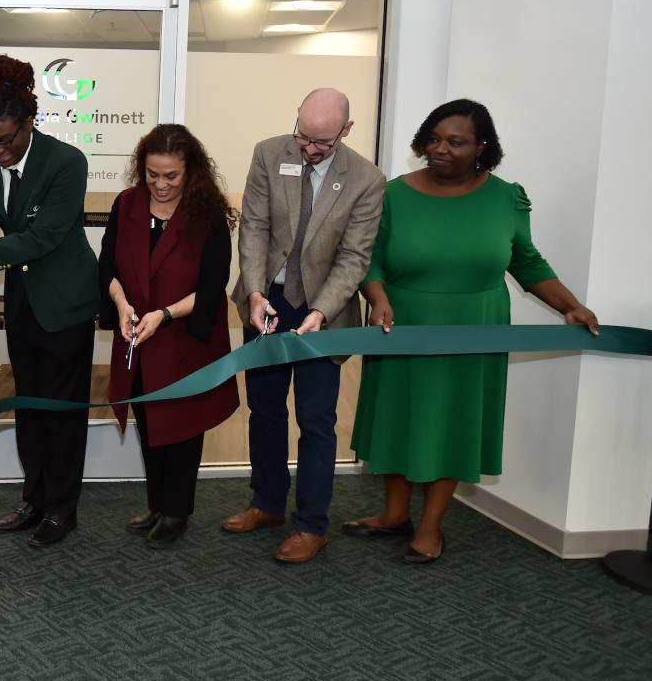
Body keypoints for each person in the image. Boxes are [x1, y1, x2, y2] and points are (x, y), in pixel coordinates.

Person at [344, 98, 597, 563]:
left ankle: (430, 528)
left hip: (476, 327)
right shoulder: (394, 194)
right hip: (403, 322)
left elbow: (526, 261)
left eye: (455, 142)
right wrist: (377, 297)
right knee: (397, 417)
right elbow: (370, 258)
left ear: (482, 147)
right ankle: (394, 514)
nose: (440, 149)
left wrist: (571, 306)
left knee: (454, 423)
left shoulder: (505, 198)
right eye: (433, 140)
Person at [0, 55, 99, 549]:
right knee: (30, 406)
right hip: (24, 303)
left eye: (7, 140)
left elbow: (41, 238)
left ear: (30, 123)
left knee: (62, 411)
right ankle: (34, 501)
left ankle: (61, 510)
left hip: (67, 302)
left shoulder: (67, 162)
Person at [225, 87, 385, 563]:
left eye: (322, 143)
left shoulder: (367, 179)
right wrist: (255, 291)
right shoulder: (268, 153)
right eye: (303, 137)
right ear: (296, 119)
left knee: (316, 420)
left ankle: (312, 525)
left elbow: (355, 256)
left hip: (324, 311)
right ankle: (268, 502)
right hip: (268, 303)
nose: (309, 150)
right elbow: (252, 226)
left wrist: (321, 311)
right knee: (265, 408)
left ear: (346, 132)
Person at [99, 125, 240, 548]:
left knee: (181, 428)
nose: (160, 185)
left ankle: (177, 511)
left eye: (171, 176)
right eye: (152, 174)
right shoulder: (127, 205)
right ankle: (158, 503)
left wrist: (164, 314)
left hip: (183, 337)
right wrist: (122, 306)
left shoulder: (207, 215)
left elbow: (213, 287)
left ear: (190, 172)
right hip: (136, 337)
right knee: (148, 421)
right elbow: (108, 266)